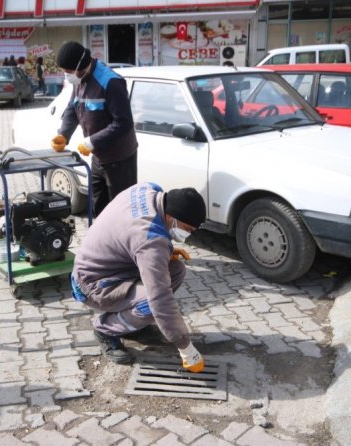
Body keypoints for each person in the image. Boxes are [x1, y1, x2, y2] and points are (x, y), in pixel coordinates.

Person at [70, 182, 206, 371]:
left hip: (107, 267)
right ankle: (105, 329)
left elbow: (131, 237)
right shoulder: (151, 241)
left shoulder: (147, 189)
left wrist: (167, 252)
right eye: (187, 229)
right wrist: (185, 347)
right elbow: (161, 300)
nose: (188, 234)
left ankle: (133, 325)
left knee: (176, 270)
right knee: (152, 304)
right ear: (172, 216)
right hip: (93, 284)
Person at [51, 41, 138, 216]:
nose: (66, 75)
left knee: (120, 212)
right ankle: (100, 241)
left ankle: (120, 243)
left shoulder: (111, 82)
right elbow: (72, 108)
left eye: (68, 71)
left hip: (120, 161)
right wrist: (63, 134)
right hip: (98, 159)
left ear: (80, 66)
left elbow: (124, 123)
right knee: (98, 207)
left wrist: (92, 141)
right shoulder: (79, 79)